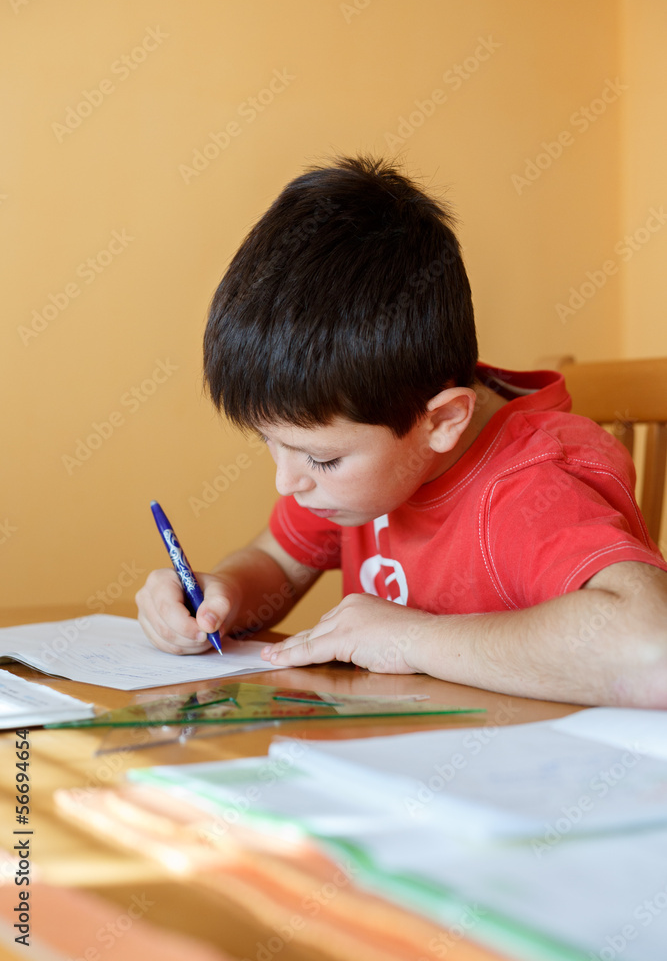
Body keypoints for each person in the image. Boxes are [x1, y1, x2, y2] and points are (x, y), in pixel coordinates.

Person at [136, 155, 667, 706]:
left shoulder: (533, 484)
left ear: (441, 421)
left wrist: (410, 639)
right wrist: (222, 594)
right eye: (270, 444)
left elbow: (654, 651)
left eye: (319, 460)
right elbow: (276, 561)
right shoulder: (369, 451)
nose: (287, 482)